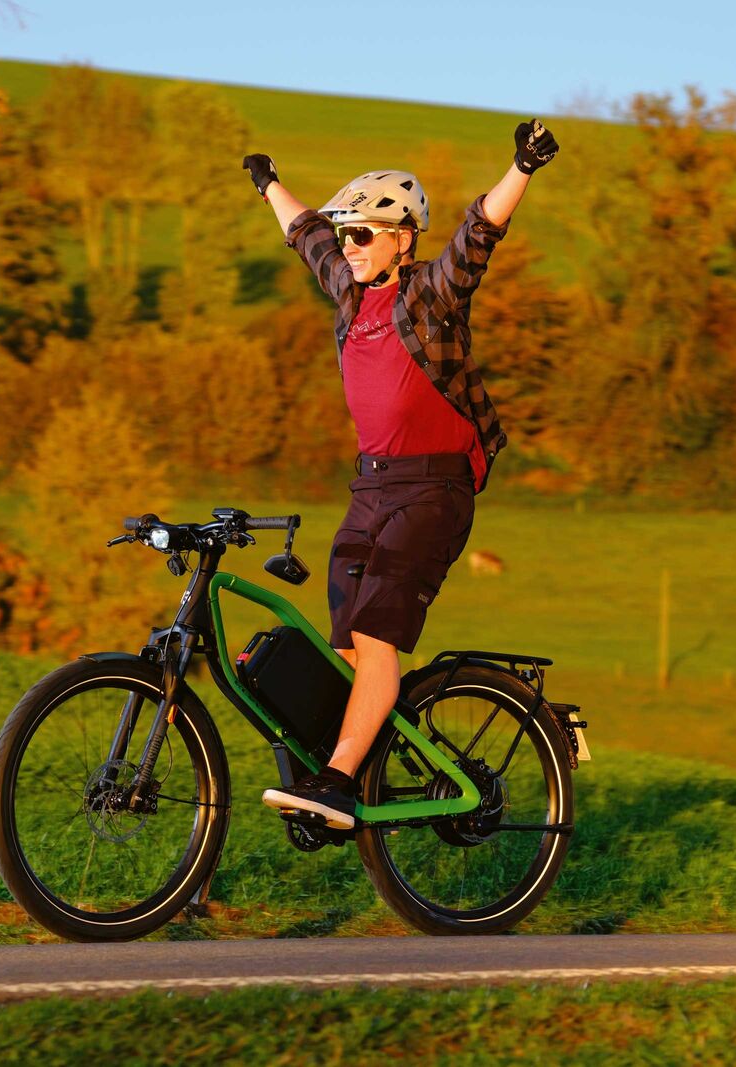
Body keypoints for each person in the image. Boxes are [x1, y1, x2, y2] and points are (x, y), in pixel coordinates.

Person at [241, 119, 559, 830]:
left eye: (362, 235)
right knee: (346, 642)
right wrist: (269, 183)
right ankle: (347, 765)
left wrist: (522, 167)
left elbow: (477, 239)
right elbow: (306, 237)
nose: (348, 247)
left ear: (401, 238)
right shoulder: (351, 295)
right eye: (347, 234)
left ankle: (339, 784)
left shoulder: (429, 298)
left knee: (378, 632)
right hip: (371, 488)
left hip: (434, 489)